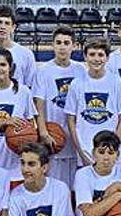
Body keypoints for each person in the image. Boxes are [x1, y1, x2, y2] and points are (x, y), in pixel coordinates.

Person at [32, 26, 86, 188]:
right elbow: (39, 105)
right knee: (55, 186)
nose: (62, 46)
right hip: (54, 137)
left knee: (77, 187)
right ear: (53, 45)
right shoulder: (43, 71)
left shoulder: (81, 70)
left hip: (77, 137)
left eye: (66, 43)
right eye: (59, 42)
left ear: (74, 46)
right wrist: (43, 132)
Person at [65, 38, 121, 167]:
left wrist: (112, 149)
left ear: (107, 58)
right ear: (85, 56)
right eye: (92, 54)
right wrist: (81, 152)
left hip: (112, 154)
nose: (96, 59)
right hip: (86, 152)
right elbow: (71, 120)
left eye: (100, 54)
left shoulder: (117, 82)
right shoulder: (76, 84)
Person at [0, 5, 36, 87]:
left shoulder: (26, 54)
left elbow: (30, 85)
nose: (3, 27)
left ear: (13, 27)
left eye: (7, 23)